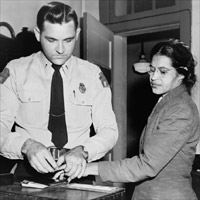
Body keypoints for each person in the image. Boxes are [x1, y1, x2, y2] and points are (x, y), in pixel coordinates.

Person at [0, 1, 118, 181]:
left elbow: (109, 130)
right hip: (27, 175)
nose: (61, 49)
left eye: (68, 40)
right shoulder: (16, 71)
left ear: (77, 34)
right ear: (38, 34)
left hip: (77, 173)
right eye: (51, 40)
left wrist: (84, 151)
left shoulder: (93, 75)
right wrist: (27, 146)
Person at [81, 39, 200, 200]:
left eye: (163, 71)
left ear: (181, 74)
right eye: (152, 70)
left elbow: (147, 165)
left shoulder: (181, 110)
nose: (154, 77)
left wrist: (87, 168)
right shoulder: (168, 102)